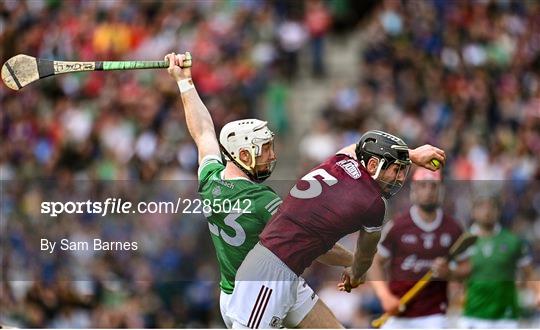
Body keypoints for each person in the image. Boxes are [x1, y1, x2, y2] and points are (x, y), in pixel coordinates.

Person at [165, 52, 354, 328]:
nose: (271, 156)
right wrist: (355, 259)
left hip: (279, 281)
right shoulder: (262, 202)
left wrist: (184, 82)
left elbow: (203, 132)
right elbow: (316, 247)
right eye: (263, 149)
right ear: (242, 155)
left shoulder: (210, 178)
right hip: (252, 298)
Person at [226, 130, 447, 328]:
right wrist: (357, 272)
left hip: (286, 274)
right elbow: (366, 254)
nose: (400, 178)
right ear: (372, 166)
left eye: (403, 171)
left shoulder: (340, 160)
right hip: (268, 278)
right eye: (396, 170)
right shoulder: (373, 203)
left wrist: (412, 155)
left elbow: (356, 148)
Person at [367, 168, 470, 328]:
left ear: (441, 190)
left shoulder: (453, 228)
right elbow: (374, 262)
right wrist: (384, 296)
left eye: (433, 186)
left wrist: (449, 272)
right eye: (423, 186)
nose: (428, 191)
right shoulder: (398, 226)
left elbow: (467, 266)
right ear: (413, 190)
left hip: (434, 314)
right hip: (398, 311)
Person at [459, 194, 540, 329]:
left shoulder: (512, 241)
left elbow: (529, 273)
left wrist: (538, 292)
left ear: (499, 211)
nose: (487, 212)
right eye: (481, 207)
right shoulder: (463, 242)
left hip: (505, 316)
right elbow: (455, 277)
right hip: (473, 314)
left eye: (491, 207)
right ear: (473, 211)